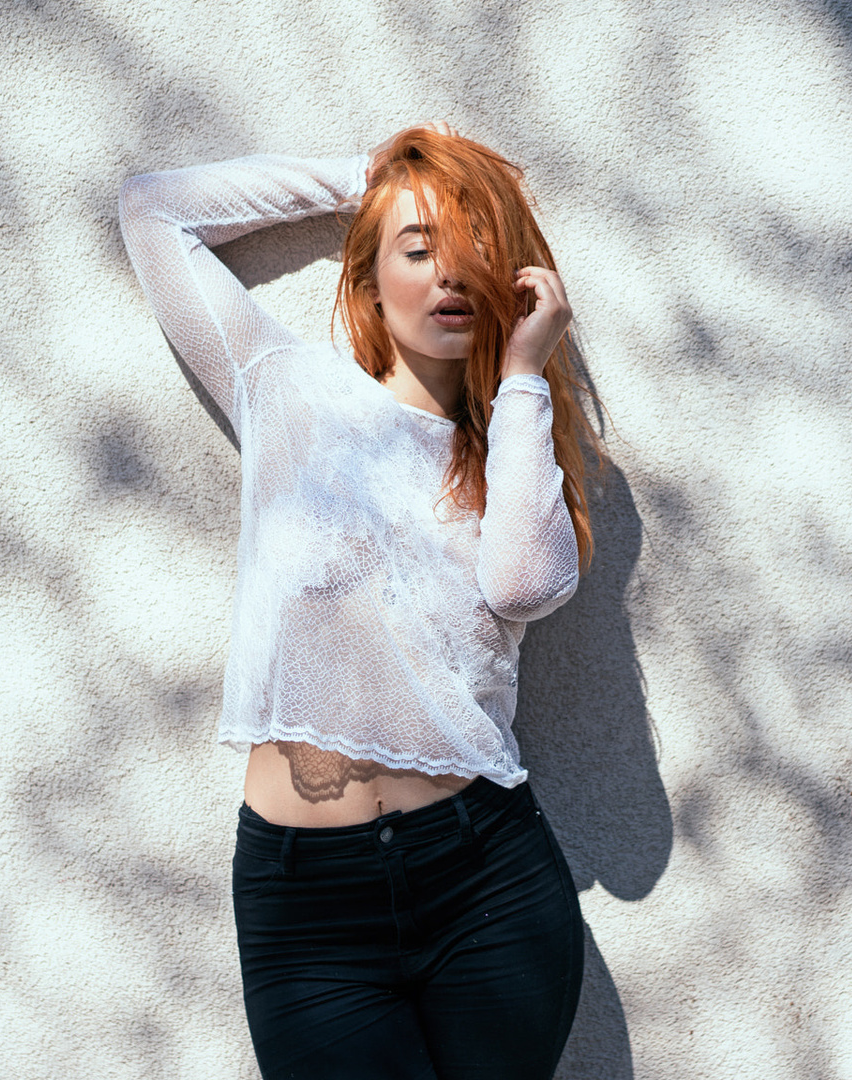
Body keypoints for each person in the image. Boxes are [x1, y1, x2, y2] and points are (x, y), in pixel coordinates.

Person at [118, 123, 605, 1080]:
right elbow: (153, 210)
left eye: (472, 253)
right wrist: (362, 177)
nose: (448, 276)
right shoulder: (285, 391)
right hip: (309, 912)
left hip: (488, 886)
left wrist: (519, 383)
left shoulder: (508, 451)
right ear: (369, 279)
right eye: (417, 250)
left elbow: (526, 584)